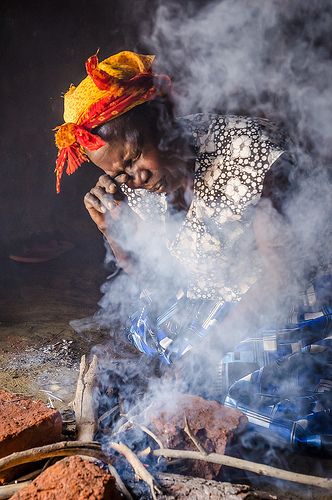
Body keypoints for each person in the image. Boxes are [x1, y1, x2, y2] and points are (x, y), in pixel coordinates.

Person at [55, 52, 332, 447]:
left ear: (163, 122)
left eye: (134, 159)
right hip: (222, 295)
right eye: (118, 174)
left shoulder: (252, 154)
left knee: (236, 378)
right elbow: (156, 279)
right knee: (144, 321)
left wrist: (201, 357)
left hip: (295, 297)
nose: (136, 178)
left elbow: (282, 279)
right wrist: (115, 234)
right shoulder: (141, 186)